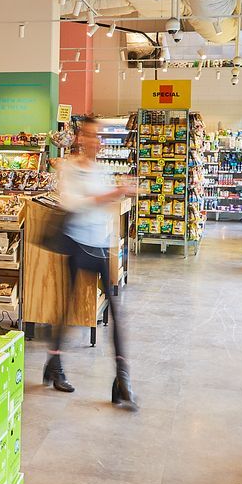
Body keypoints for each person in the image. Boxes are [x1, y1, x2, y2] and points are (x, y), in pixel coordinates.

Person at [43, 115, 138, 409]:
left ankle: (122, 379)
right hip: (75, 242)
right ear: (80, 139)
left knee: (115, 309)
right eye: (90, 135)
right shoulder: (69, 169)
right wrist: (113, 193)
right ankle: (55, 364)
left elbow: (102, 202)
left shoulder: (101, 171)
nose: (96, 141)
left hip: (100, 243)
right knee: (69, 305)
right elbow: (73, 203)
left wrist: (116, 195)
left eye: (99, 137)